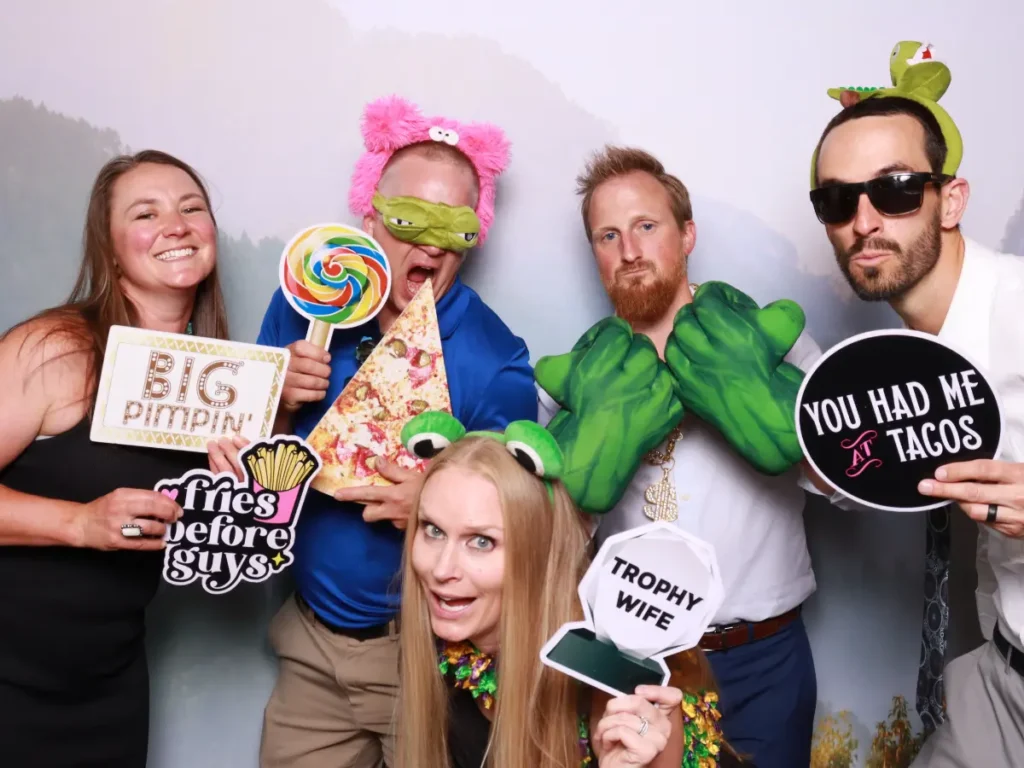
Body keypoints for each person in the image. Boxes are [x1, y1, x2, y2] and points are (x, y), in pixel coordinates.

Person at [255, 96, 537, 768]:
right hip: (311, 646)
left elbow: (522, 517)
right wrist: (279, 406)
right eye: (412, 220)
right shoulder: (306, 308)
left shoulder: (497, 356)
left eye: (456, 229)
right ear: (370, 218)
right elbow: (252, 474)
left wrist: (434, 508)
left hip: (431, 659)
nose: (433, 247)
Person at [537, 145, 826, 768]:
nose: (629, 251)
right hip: (634, 659)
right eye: (607, 236)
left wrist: (758, 412)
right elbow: (548, 534)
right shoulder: (577, 377)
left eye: (647, 227)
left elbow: (851, 479)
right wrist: (598, 454)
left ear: (687, 234)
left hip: (762, 655)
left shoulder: (767, 342)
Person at [810, 85, 1024, 766]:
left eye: (896, 189)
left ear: (950, 200)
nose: (864, 221)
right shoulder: (901, 369)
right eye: (838, 201)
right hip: (1003, 673)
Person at [0, 150, 232, 766]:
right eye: (146, 213)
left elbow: (234, 521)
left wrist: (283, 407)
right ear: (111, 247)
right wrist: (77, 524)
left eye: (192, 208)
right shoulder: (56, 348)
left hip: (109, 681)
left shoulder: (222, 381)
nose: (176, 226)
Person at [395, 412, 740, 767]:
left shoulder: (610, 673)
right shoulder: (448, 648)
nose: (441, 569)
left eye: (482, 541)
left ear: (540, 552)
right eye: (433, 530)